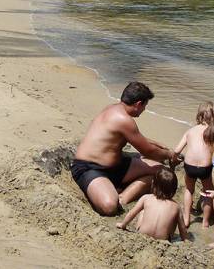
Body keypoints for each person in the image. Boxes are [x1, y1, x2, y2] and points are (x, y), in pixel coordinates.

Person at [72, 81, 180, 215]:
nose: (144, 110)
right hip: (89, 168)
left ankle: (123, 196)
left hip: (117, 165)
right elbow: (147, 151)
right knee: (109, 206)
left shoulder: (113, 109)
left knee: (161, 172)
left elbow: (138, 138)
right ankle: (117, 196)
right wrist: (170, 155)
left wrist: (159, 145)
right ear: (138, 104)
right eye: (145, 106)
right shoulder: (124, 120)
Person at [173, 102, 214, 228]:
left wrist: (175, 159)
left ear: (199, 116)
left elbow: (176, 150)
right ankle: (205, 222)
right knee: (207, 192)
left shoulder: (190, 131)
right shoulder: (213, 132)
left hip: (189, 166)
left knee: (189, 189)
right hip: (205, 167)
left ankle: (186, 218)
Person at [115, 167, 189, 242]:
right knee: (175, 218)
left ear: (153, 184)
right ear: (174, 189)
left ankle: (140, 228)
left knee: (143, 211)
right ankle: (168, 236)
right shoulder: (176, 206)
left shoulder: (146, 198)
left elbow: (132, 213)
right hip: (163, 240)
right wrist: (185, 240)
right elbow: (182, 228)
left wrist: (123, 225)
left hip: (143, 234)